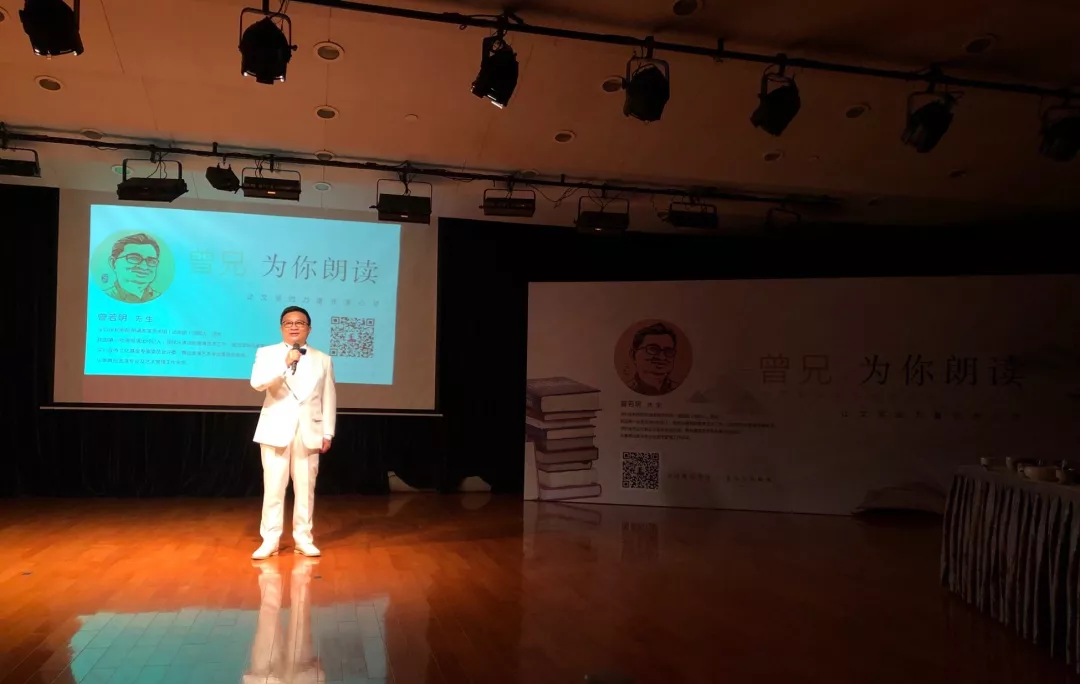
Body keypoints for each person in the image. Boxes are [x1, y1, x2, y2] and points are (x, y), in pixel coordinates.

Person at [249, 306, 336, 560]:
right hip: (275, 429)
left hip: (309, 429)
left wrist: (328, 433)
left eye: (300, 323)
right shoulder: (267, 353)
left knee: (306, 489)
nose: (294, 326)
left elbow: (329, 397)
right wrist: (284, 363)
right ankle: (270, 540)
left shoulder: (323, 359)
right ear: (281, 328)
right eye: (288, 323)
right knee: (273, 488)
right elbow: (257, 383)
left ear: (309, 328)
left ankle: (303, 539)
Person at [105, 232, 164, 303]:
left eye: (151, 261)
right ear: (113, 263)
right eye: (134, 258)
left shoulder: (163, 299)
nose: (144, 267)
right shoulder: (101, 298)